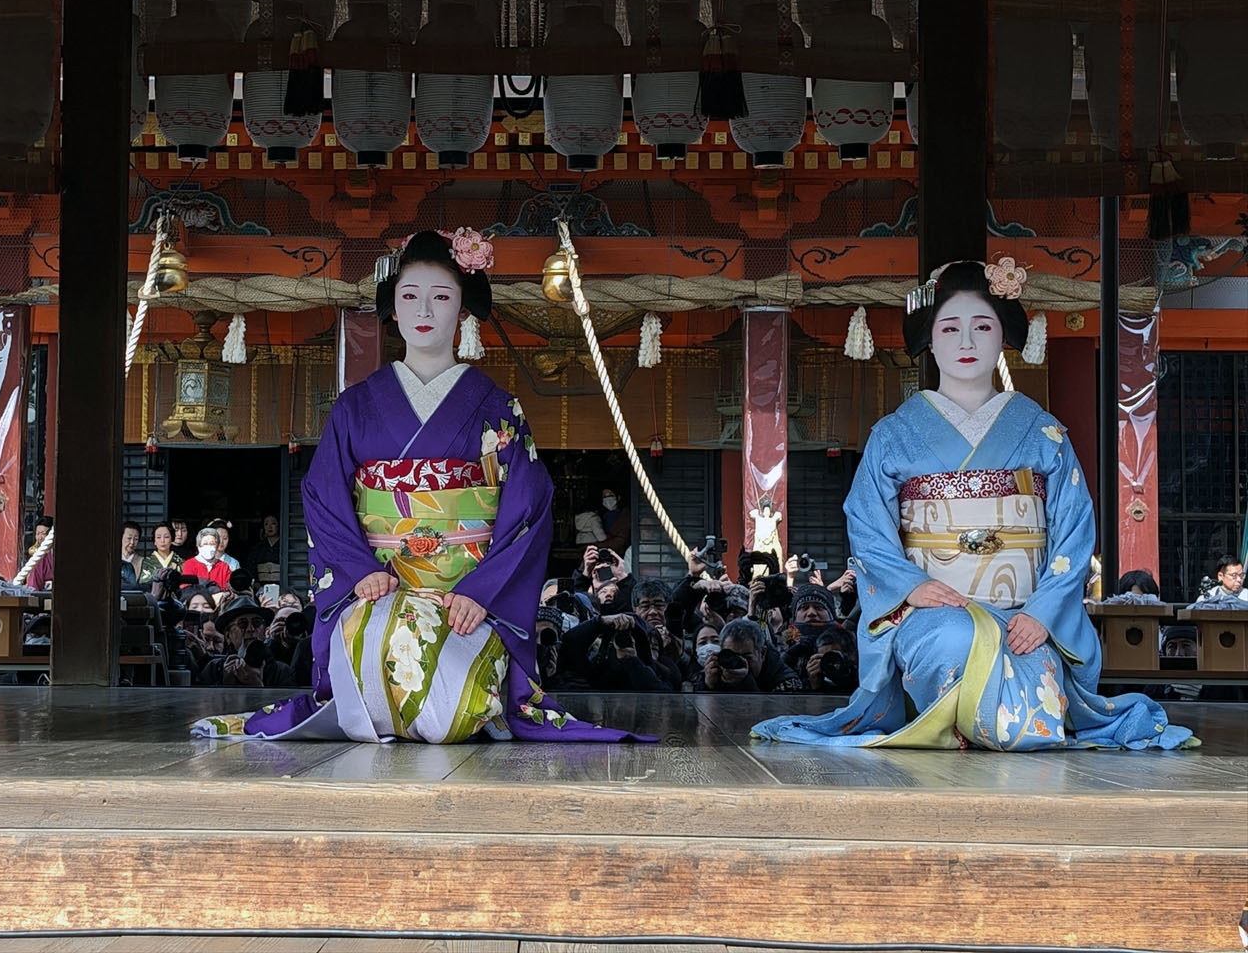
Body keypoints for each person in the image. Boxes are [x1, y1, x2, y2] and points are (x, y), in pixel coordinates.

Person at [193, 228, 646, 742]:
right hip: (377, 588)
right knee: (381, 654)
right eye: (409, 296)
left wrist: (481, 592)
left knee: (450, 716)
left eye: (442, 296)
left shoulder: (497, 407)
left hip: (468, 597)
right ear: (393, 307)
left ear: (463, 309)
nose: (424, 310)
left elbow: (529, 506)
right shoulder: (355, 406)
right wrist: (360, 570)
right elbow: (322, 495)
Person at [753, 259, 1193, 750]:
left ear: (1002, 335)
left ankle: (971, 730)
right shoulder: (894, 435)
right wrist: (911, 586)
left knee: (1032, 702)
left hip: (1022, 613)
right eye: (950, 328)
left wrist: (1045, 613)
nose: (967, 342)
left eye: (982, 326)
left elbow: (1074, 529)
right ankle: (960, 725)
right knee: (954, 642)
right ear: (930, 338)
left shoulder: (1042, 431)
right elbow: (867, 523)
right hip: (935, 614)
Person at [24, 515, 55, 590]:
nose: (40, 538)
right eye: (38, 534)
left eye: (43, 533)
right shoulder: (39, 558)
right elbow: (33, 586)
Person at [117, 521, 144, 589]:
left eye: (136, 539)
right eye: (129, 538)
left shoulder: (143, 561)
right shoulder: (114, 559)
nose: (132, 542)